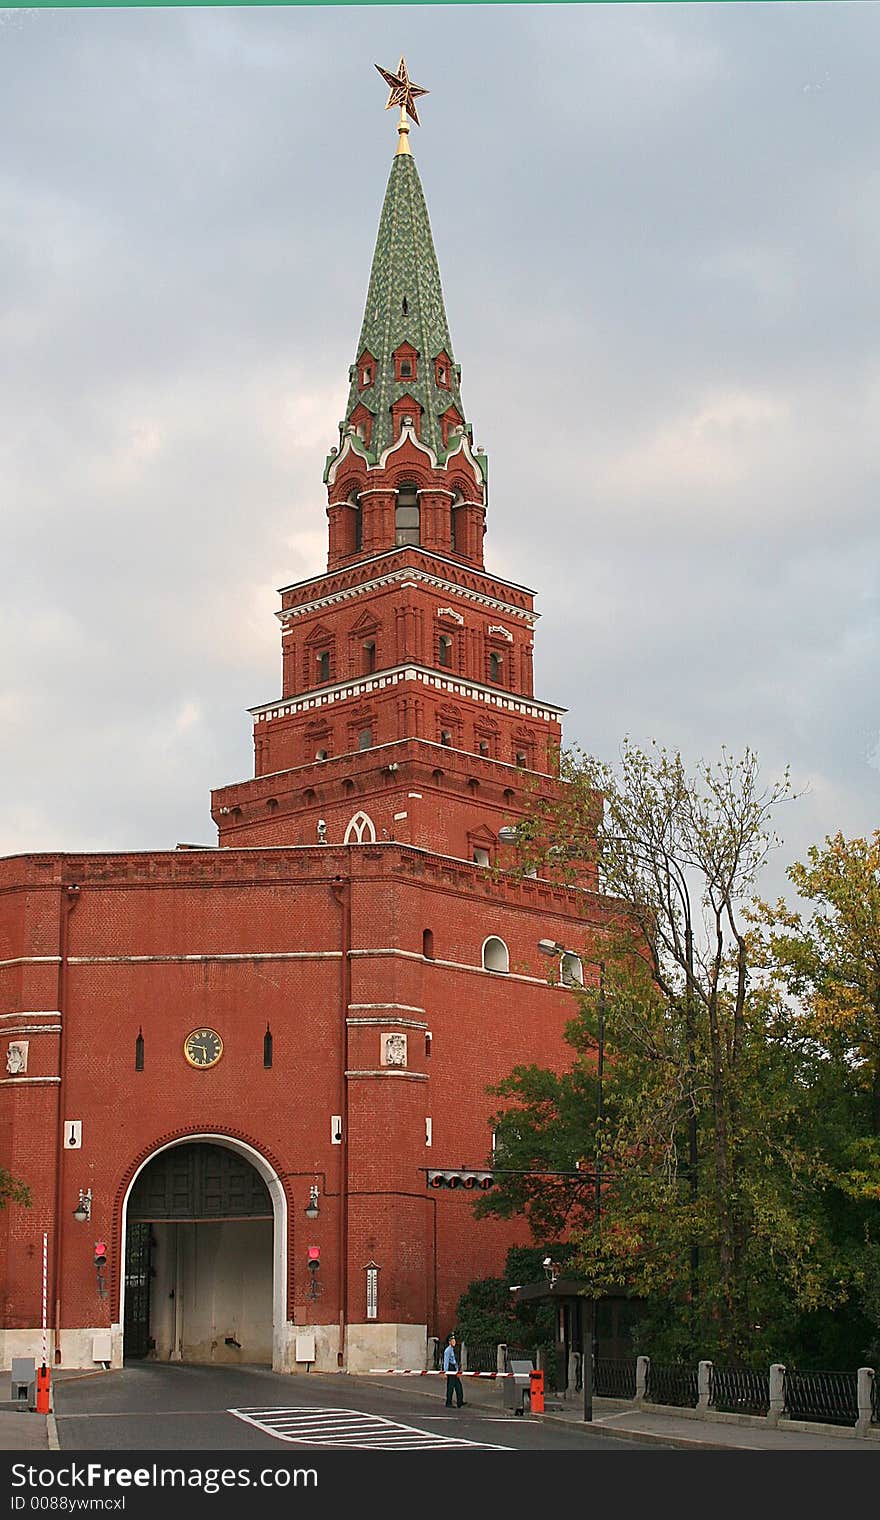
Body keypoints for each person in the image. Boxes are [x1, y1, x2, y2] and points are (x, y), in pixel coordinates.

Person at [443, 1333, 465, 1408]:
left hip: (454, 1369)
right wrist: (445, 1372)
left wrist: (457, 1370)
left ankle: (460, 1402)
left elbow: (455, 1361)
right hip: (450, 1369)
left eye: (454, 1340)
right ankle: (448, 1402)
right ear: (449, 1342)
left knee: (458, 1386)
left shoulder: (453, 1350)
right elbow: (446, 1362)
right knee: (451, 1386)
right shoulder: (447, 1351)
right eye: (452, 1341)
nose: (454, 1342)